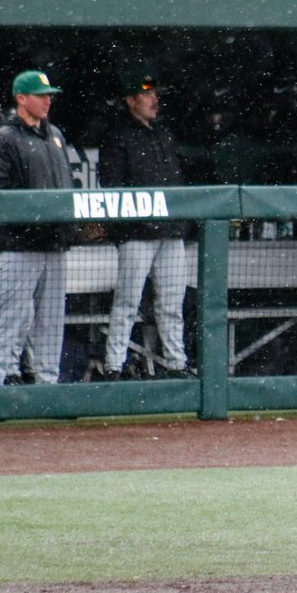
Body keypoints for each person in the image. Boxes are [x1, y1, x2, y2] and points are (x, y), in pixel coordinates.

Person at [0, 70, 74, 386]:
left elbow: (66, 186)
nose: (48, 100)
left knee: (50, 319)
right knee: (12, 316)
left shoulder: (55, 135)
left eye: (50, 95)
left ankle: (47, 382)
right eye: (41, 94)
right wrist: (31, 220)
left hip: (54, 242)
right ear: (22, 98)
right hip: (20, 244)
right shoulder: (5, 137)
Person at [97, 73, 191, 379]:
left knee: (172, 303)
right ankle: (113, 365)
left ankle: (176, 363)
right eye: (146, 95)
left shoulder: (163, 133)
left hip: (169, 232)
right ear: (130, 100)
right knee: (127, 302)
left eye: (155, 95)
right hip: (137, 234)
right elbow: (111, 186)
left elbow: (177, 180)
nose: (154, 100)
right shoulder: (118, 136)